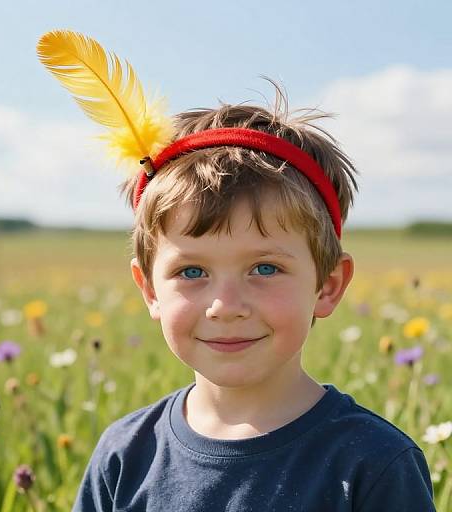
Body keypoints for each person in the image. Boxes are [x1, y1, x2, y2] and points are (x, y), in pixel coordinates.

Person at [36, 30, 435, 512]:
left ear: (327, 285)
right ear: (149, 291)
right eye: (191, 272)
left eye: (264, 267)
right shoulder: (123, 456)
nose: (225, 306)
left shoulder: (372, 464)